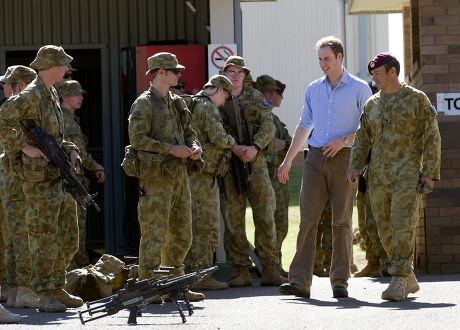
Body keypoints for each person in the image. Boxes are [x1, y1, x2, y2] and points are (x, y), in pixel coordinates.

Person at [278, 36, 372, 299]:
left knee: (341, 221)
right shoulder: (313, 89)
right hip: (315, 157)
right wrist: (288, 160)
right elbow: (304, 126)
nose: (323, 64)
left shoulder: (359, 88)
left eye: (327, 59)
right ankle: (299, 281)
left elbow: (368, 127)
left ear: (340, 57)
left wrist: (344, 140)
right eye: (319, 59)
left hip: (345, 158)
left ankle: (340, 281)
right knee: (308, 219)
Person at [347, 52, 441, 301]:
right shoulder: (372, 104)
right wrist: (354, 166)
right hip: (378, 178)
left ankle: (399, 279)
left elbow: (432, 136)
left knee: (403, 227)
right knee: (384, 229)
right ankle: (407, 276)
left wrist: (430, 173)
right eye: (372, 74)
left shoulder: (416, 99)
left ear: (392, 72)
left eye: (378, 73)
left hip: (406, 177)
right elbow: (363, 137)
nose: (374, 78)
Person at [0, 45, 84, 312]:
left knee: (69, 233)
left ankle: (56, 284)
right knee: (43, 234)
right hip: (37, 179)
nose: (66, 69)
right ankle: (45, 292)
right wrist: (23, 147)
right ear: (49, 65)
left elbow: (57, 137)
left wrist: (71, 151)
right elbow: (3, 121)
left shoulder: (51, 93)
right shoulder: (31, 94)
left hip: (56, 176)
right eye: (62, 64)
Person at [127, 52, 203, 301]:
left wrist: (194, 147)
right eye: (175, 71)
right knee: (154, 232)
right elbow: (137, 140)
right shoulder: (144, 103)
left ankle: (174, 285)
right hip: (156, 178)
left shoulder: (177, 102)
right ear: (161, 73)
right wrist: (170, 149)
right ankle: (148, 287)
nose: (179, 75)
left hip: (179, 175)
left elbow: (190, 132)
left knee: (182, 232)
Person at [220, 56, 286, 287]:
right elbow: (214, 127)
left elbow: (268, 125)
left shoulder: (256, 97)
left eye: (240, 72)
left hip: (256, 163)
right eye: (231, 71)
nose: (236, 75)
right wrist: (235, 147)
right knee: (233, 219)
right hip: (230, 165)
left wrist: (254, 147)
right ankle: (241, 270)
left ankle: (270, 268)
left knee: (265, 215)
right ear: (224, 74)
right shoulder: (217, 97)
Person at [183, 75, 238, 290]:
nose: (224, 101)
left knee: (196, 222)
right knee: (205, 224)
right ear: (218, 90)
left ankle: (192, 272)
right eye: (225, 95)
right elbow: (218, 137)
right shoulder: (208, 108)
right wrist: (234, 145)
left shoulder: (194, 105)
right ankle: (200, 275)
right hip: (202, 176)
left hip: (196, 173)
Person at [0, 66, 41, 309]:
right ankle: (21, 288)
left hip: (10, 179)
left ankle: (15, 289)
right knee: (20, 236)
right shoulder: (13, 112)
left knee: (14, 238)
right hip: (15, 180)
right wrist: (25, 148)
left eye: (8, 83)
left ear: (21, 84)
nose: (4, 87)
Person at [58, 80, 105, 268]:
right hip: (71, 182)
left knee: (76, 228)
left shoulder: (70, 118)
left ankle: (78, 269)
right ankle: (77, 271)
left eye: (80, 94)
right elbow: (80, 153)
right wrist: (96, 166)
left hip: (75, 181)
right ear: (65, 96)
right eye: (76, 94)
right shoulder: (65, 119)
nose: (80, 98)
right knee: (75, 229)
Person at [255, 75, 292, 277]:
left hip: (278, 178)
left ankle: (274, 264)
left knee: (281, 224)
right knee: (271, 223)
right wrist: (279, 145)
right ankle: (268, 264)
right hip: (268, 177)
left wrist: (284, 144)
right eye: (279, 93)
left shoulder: (273, 119)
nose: (282, 98)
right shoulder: (261, 117)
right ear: (269, 93)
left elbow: (286, 142)